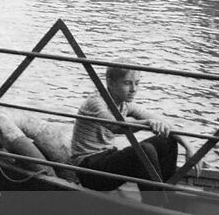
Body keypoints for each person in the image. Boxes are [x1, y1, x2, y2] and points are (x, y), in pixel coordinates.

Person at [69, 65, 196, 195]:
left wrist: (189, 147)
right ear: (110, 82)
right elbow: (116, 126)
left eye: (137, 83)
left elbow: (164, 122)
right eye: (127, 83)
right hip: (89, 171)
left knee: (167, 140)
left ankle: (166, 197)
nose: (133, 89)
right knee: (145, 150)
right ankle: (156, 206)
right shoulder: (96, 102)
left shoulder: (124, 103)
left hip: (106, 158)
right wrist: (146, 123)